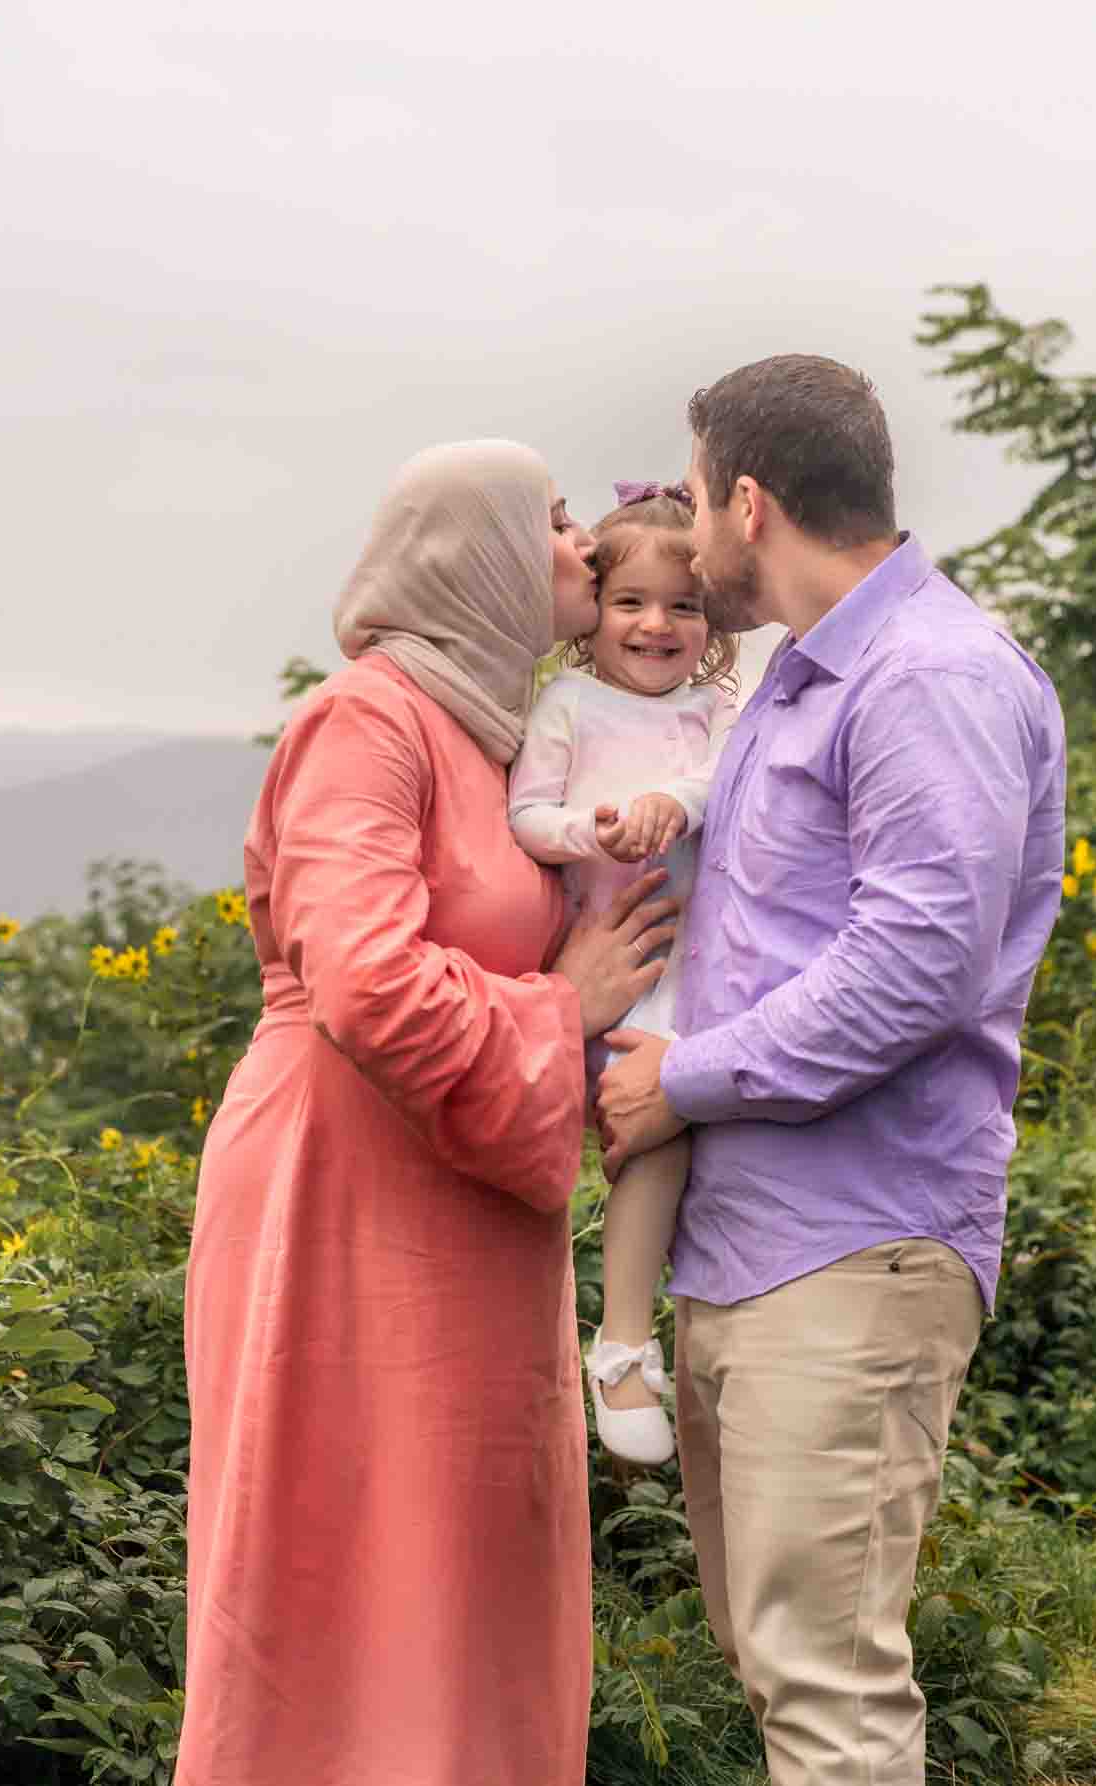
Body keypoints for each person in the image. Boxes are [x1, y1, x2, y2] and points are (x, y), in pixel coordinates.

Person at [595, 355, 1067, 1786]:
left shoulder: (930, 675)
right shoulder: (799, 683)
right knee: (778, 1662)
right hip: (751, 1252)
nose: (689, 537)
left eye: (694, 501)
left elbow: (917, 965)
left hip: (855, 1245)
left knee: (826, 1686)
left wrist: (681, 1079)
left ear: (748, 502)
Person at [180, 439, 680, 1786]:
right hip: (338, 1193)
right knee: (345, 1560)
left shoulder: (494, 735)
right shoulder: (368, 719)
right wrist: (560, 1011)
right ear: (480, 555)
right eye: (557, 521)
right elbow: (362, 981)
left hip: (467, 1197)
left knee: (466, 1566)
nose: (587, 544)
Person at [506, 479, 738, 1465]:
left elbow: (724, 785)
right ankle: (611, 1345)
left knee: (669, 1135)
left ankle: (636, 1338)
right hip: (600, 958)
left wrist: (673, 804)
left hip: (691, 966)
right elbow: (526, 816)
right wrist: (591, 831)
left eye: (683, 606)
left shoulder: (714, 711)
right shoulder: (567, 703)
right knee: (624, 1138)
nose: (657, 625)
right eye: (631, 602)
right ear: (592, 611)